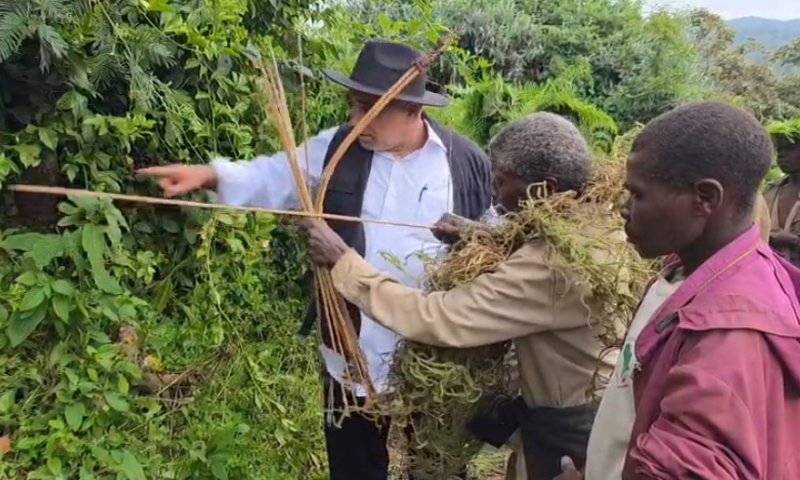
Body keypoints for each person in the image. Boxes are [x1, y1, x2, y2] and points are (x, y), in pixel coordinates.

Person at [140, 40, 492, 480]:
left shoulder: (466, 163)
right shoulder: (337, 147)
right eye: (353, 105)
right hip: (350, 347)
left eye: (370, 108)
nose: (355, 119)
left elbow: (495, 245)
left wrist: (476, 237)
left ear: (411, 109)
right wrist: (210, 175)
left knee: (437, 466)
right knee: (354, 466)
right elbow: (274, 174)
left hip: (433, 355)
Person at [302, 112, 620, 480]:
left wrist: (345, 262)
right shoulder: (598, 223)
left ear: (546, 189)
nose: (495, 198)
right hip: (589, 411)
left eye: (502, 183)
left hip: (568, 433)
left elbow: (438, 318)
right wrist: (480, 237)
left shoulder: (554, 264)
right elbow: (532, 249)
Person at [558, 101, 800, 480]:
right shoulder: (686, 271)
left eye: (638, 195)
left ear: (705, 198)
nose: (625, 209)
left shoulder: (729, 331)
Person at [764, 126, 800, 265]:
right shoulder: (770, 191)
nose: (781, 155)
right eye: (779, 149)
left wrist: (793, 241)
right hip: (771, 276)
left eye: (789, 149)